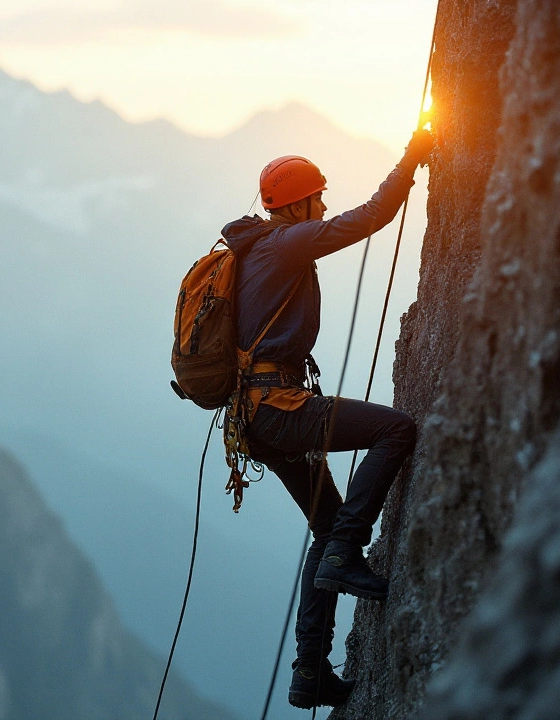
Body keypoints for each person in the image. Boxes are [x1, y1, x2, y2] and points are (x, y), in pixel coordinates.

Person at [220, 129, 434, 709]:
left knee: (324, 525)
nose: (322, 207)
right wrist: (411, 158)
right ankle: (348, 551)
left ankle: (309, 670)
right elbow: (369, 218)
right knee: (396, 429)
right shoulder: (284, 243)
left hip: (256, 420)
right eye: (315, 198)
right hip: (281, 410)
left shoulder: (252, 252)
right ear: (294, 204)